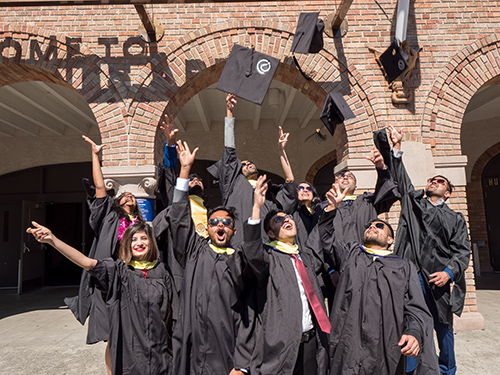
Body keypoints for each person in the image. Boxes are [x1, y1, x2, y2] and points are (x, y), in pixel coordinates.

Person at [27, 221, 176, 375]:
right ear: (126, 244)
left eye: (144, 238)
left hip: (161, 351)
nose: (139, 243)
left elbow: (174, 313)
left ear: (151, 242)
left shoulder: (162, 271)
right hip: (131, 354)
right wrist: (53, 240)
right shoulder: (118, 271)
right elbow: (87, 262)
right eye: (133, 239)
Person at [321, 183, 439, 375]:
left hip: (385, 347)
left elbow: (415, 306)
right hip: (347, 345)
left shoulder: (403, 266)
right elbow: (326, 240)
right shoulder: (350, 254)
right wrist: (331, 210)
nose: (372, 226)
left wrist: (414, 332)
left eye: (379, 225)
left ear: (390, 240)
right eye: (368, 225)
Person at [383, 125, 471, 375]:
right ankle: (412, 370)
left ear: (449, 192)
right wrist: (397, 147)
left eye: (440, 181)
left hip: (436, 278)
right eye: (432, 179)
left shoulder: (455, 218)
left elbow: (462, 252)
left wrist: (449, 273)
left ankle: (446, 370)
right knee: (411, 322)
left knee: (443, 327)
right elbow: (402, 180)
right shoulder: (415, 207)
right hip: (410, 273)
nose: (434, 181)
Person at [168, 140, 253, 375]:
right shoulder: (195, 251)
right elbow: (178, 218)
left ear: (234, 231)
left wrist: (243, 365)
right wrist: (184, 171)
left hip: (225, 353)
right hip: (192, 348)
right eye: (214, 222)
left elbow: (250, 315)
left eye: (226, 222)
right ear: (207, 229)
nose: (220, 226)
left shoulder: (241, 260)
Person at [65, 135, 144, 374]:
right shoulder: (109, 217)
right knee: (112, 333)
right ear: (117, 202)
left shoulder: (141, 226)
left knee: (133, 330)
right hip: (109, 280)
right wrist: (95, 154)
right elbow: (100, 188)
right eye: (124, 196)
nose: (129, 196)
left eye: (133, 196)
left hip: (135, 278)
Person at [243, 175, 331, 375]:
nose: (287, 219)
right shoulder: (268, 257)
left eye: (288, 217)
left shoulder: (303, 258)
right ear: (271, 234)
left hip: (311, 343)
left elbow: (319, 243)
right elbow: (252, 251)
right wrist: (256, 208)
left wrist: (331, 211)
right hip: (281, 348)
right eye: (278, 220)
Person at [207, 94, 297, 245]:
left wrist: (281, 151)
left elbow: (290, 185)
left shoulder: (268, 193)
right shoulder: (234, 185)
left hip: (267, 250)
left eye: (251, 162)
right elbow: (229, 151)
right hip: (238, 247)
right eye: (243, 163)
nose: (248, 163)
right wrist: (229, 112)